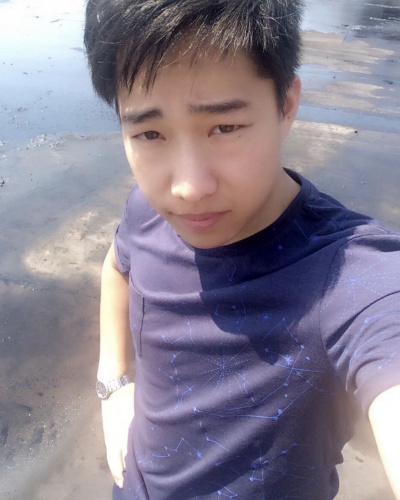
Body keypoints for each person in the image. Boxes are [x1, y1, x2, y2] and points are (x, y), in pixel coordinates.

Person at [84, 1, 400, 498]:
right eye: (149, 133)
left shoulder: (349, 275)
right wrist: (113, 383)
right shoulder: (147, 211)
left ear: (286, 105)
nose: (189, 188)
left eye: (224, 127)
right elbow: (117, 266)